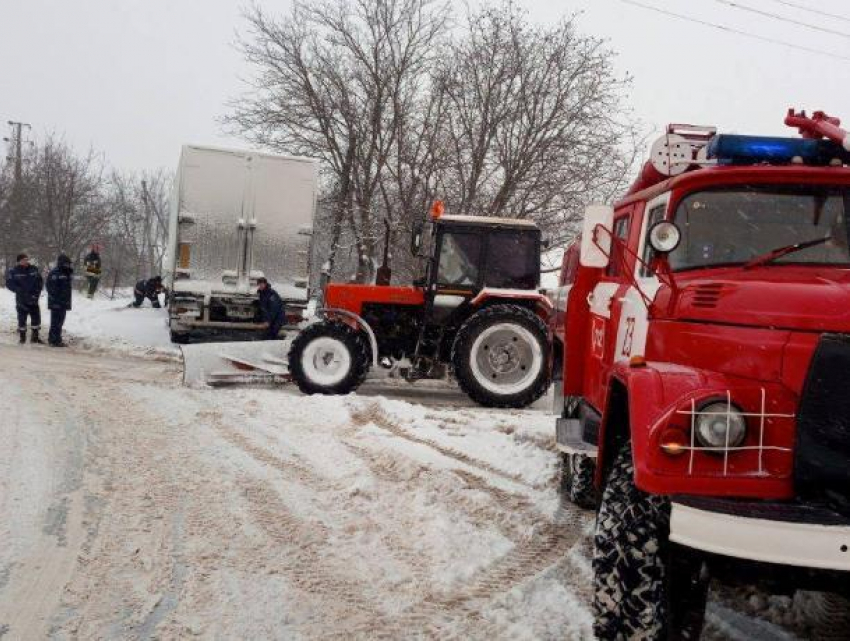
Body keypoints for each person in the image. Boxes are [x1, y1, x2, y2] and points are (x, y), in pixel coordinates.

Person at [5, 253, 43, 344]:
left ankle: (35, 337)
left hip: (33, 298)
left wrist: (37, 293)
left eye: (26, 259)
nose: (26, 261)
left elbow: (40, 282)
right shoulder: (14, 271)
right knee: (22, 318)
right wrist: (18, 290)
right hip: (21, 299)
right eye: (23, 260)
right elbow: (9, 283)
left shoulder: (34, 269)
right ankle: (22, 338)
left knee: (36, 318)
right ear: (19, 261)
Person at [46, 254, 73, 347]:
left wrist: (65, 301)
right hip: (56, 303)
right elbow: (50, 288)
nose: (68, 265)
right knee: (55, 322)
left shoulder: (66, 273)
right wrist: (57, 299)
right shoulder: (55, 273)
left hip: (64, 302)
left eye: (69, 264)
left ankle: (57, 339)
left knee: (60, 322)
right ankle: (53, 340)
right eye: (66, 263)